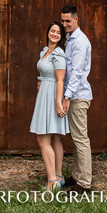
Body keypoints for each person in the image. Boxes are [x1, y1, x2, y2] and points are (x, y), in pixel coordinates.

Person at [29, 21, 69, 191]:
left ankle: (52, 181)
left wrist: (58, 103)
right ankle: (59, 177)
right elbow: (46, 74)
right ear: (47, 32)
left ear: (61, 37)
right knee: (55, 138)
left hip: (52, 97)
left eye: (58, 33)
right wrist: (41, 81)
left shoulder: (58, 54)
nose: (55, 34)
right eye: (52, 31)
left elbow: (60, 79)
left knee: (43, 139)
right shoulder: (45, 51)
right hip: (44, 93)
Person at [60, 4, 92, 192]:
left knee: (80, 139)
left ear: (76, 19)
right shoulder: (70, 39)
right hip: (73, 95)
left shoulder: (79, 41)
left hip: (77, 96)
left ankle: (85, 184)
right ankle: (77, 175)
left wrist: (66, 96)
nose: (64, 24)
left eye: (68, 21)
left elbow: (77, 72)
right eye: (62, 21)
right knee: (75, 136)